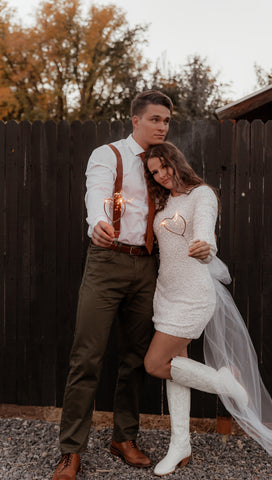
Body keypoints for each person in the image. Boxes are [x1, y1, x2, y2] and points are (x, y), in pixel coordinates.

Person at [143, 141, 272, 476]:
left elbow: (206, 234)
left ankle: (224, 382)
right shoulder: (164, 202)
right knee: (175, 365)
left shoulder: (202, 194)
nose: (162, 175)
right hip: (166, 294)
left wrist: (205, 247)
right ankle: (180, 444)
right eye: (154, 172)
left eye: (164, 166)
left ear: (176, 161)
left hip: (194, 295)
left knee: (155, 363)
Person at [52, 90, 182, 480]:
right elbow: (97, 193)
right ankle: (71, 451)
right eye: (155, 119)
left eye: (166, 120)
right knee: (86, 357)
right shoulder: (107, 155)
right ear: (135, 121)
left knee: (134, 359)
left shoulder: (166, 163)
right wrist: (97, 223)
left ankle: (124, 438)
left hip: (147, 267)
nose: (162, 126)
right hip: (106, 262)